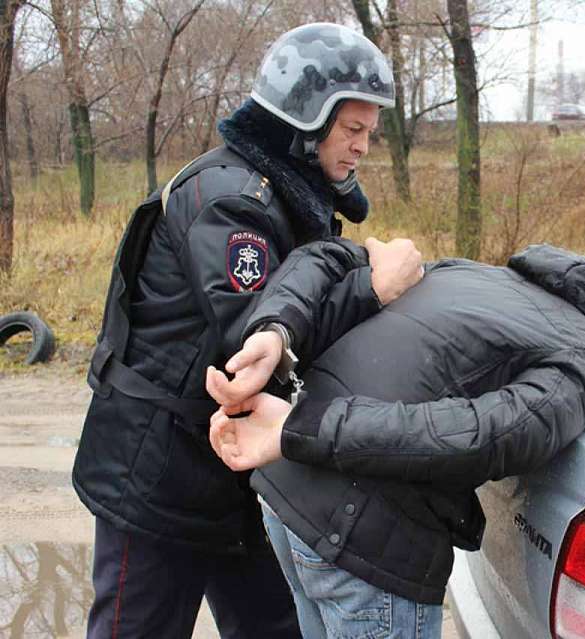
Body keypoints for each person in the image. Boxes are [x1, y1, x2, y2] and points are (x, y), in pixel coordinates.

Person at [72, 23, 423, 639]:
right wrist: (372, 288)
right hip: (157, 475)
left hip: (236, 470)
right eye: (353, 129)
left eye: (370, 132)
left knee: (278, 627)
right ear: (305, 120)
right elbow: (253, 339)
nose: (364, 147)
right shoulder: (231, 203)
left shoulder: (290, 196)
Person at [205, 241, 585, 638]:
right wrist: (303, 428)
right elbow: (483, 437)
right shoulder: (584, 358)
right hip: (361, 533)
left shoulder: (470, 272)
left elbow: (324, 254)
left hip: (286, 491)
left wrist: (276, 329)